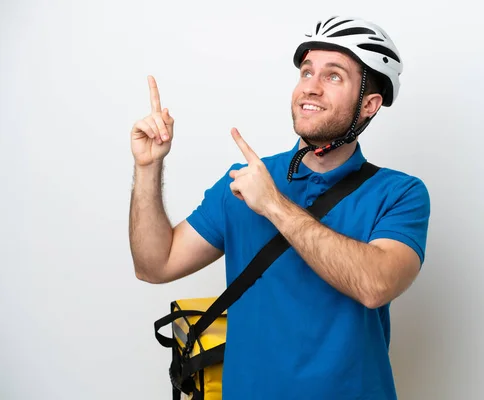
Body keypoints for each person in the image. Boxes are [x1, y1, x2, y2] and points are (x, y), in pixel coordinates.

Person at [129, 15, 430, 400]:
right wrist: (148, 167)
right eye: (307, 72)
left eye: (333, 76)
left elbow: (376, 286)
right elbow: (155, 265)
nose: (312, 88)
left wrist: (273, 204)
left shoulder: (398, 193)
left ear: (369, 104)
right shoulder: (245, 180)